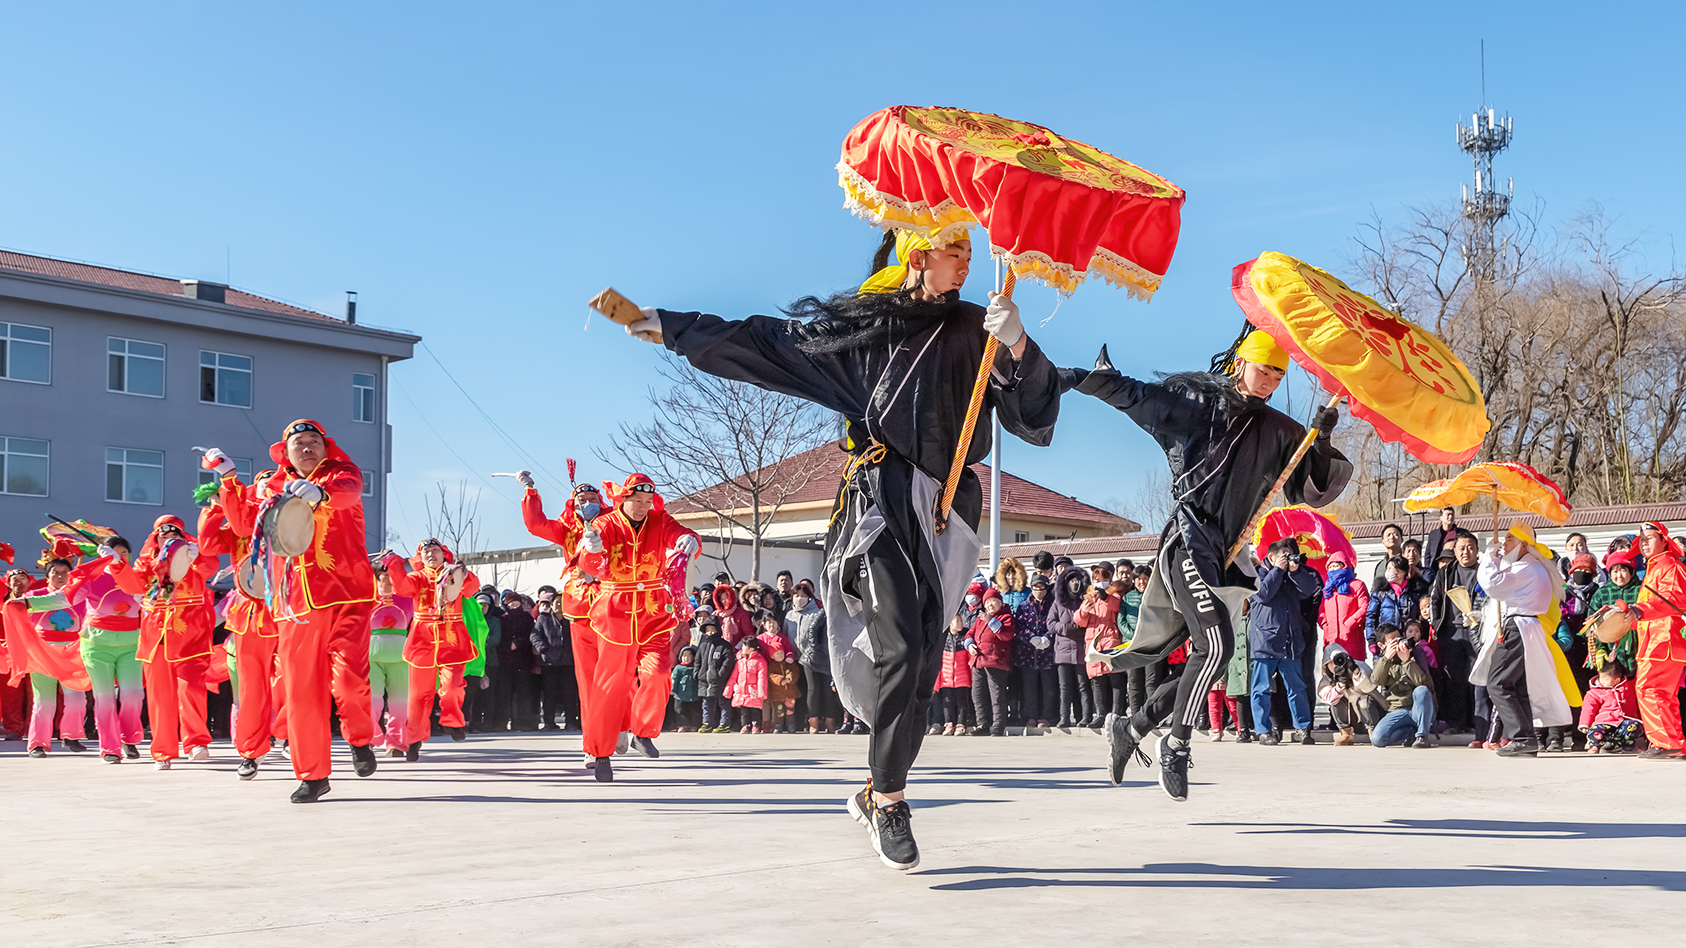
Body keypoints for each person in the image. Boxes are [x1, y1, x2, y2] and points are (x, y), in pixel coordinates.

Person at [1067, 327, 1350, 799]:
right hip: (1187, 539)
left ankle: (1132, 728)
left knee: (1210, 658)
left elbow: (1310, 487)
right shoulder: (1199, 406)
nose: (1270, 382)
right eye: (1264, 370)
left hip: (1222, 555)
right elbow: (1140, 397)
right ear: (1241, 363)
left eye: (1279, 375)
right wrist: (1079, 378)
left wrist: (1319, 439)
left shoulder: (1283, 431)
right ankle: (1175, 747)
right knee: (1217, 646)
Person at [206, 420, 379, 803]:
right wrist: (230, 480)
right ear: (285, 451)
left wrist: (319, 493)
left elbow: (348, 493)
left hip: (347, 594)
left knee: (350, 683)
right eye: (298, 443)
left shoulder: (341, 472)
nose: (307, 448)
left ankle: (360, 738)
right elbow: (242, 523)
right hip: (294, 604)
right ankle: (312, 775)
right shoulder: (270, 486)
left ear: (324, 446)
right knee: (301, 693)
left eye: (313, 441)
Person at [576, 473, 701, 778]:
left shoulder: (660, 520)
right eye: (637, 501)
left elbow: (682, 535)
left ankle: (642, 732)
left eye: (648, 501)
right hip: (615, 613)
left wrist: (691, 540)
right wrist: (590, 550)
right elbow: (588, 567)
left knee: (659, 673)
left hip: (653, 612)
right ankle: (600, 752)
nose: (643, 506)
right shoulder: (605, 524)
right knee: (610, 686)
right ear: (624, 500)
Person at [112, 516, 218, 769]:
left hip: (191, 634)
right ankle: (163, 751)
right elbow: (132, 584)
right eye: (163, 535)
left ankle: (196, 743)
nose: (168, 539)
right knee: (160, 697)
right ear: (155, 539)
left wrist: (199, 555)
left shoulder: (192, 559)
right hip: (157, 634)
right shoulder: (145, 563)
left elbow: (210, 568)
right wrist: (117, 564)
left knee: (192, 689)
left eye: (175, 536)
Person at [196, 502, 286, 776]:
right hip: (248, 616)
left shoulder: (295, 519)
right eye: (261, 482)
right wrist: (215, 507)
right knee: (250, 690)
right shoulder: (238, 529)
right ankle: (251, 751)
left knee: (290, 683)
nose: (267, 487)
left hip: (287, 611)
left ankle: (288, 733)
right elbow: (209, 544)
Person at [1472, 523, 1573, 758]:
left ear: (1523, 544)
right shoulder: (1532, 567)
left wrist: (1489, 557)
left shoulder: (1526, 568)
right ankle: (1526, 738)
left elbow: (1493, 584)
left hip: (1518, 627)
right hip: (1526, 627)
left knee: (1497, 683)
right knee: (1518, 686)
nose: (1504, 543)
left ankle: (1522, 736)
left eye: (1509, 539)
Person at [382, 539, 480, 760]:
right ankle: (414, 739)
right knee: (419, 695)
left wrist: (465, 574)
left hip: (452, 637)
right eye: (426, 551)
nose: (431, 554)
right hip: (422, 639)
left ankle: (453, 722)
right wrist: (395, 563)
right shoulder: (417, 578)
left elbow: (471, 590)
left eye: (435, 550)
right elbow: (402, 588)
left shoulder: (454, 573)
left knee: (454, 685)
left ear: (444, 554)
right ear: (421, 557)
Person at [1606, 522, 1686, 759]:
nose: (1644, 543)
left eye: (1649, 538)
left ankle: (1665, 743)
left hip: (1664, 640)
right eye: (1641, 539)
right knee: (1662, 693)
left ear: (1664, 540)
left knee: (1650, 688)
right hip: (1655, 640)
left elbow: (1672, 599)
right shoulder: (1654, 568)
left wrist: (1639, 610)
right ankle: (1672, 743)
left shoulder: (1670, 566)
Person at [62, 538, 145, 762]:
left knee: (134, 696)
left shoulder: (140, 578)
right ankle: (109, 747)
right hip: (97, 646)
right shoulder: (93, 579)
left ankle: (129, 738)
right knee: (105, 698)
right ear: (103, 555)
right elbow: (65, 598)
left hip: (131, 645)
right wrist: (28, 604)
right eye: (114, 552)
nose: (120, 556)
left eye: (125, 552)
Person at [5, 561, 92, 757]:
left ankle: (71, 735)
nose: (60, 576)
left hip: (72, 653)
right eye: (55, 572)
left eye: (65, 572)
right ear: (47, 576)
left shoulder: (80, 596)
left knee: (77, 698)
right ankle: (37, 743)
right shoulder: (35, 596)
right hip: (43, 653)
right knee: (44, 700)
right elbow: (18, 616)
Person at [1246, 539, 1322, 746]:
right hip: (1266, 640)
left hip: (1289, 640)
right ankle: (1263, 731)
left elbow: (1308, 589)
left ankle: (1302, 728)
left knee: (1297, 686)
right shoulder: (1257, 573)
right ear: (1271, 557)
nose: (1288, 559)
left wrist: (1296, 571)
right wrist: (1278, 571)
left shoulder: (1291, 575)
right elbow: (1263, 594)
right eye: (1284, 555)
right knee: (1261, 688)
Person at [1428, 533, 1485, 737]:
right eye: (1461, 548)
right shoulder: (1445, 573)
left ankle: (1477, 722)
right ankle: (1456, 722)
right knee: (1454, 679)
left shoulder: (1485, 573)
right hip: (1451, 633)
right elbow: (1434, 599)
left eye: (1470, 547)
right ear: (1455, 551)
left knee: (1476, 677)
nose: (1465, 552)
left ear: (1477, 550)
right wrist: (1436, 624)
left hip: (1478, 631)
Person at [367, 566, 414, 757]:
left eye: (390, 576)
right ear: (375, 579)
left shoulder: (408, 598)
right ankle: (370, 737)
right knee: (371, 701)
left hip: (401, 655)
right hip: (371, 656)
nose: (387, 580)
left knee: (400, 703)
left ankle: (396, 742)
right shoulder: (366, 599)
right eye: (383, 576)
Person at [1369, 624, 1435, 748]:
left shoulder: (1417, 652)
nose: (1399, 643)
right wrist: (1386, 659)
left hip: (1418, 708)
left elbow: (1424, 683)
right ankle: (1409, 732)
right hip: (1398, 709)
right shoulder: (1380, 661)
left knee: (1421, 690)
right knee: (1378, 740)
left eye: (1400, 638)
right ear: (1381, 645)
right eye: (1394, 641)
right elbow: (1376, 681)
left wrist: (1407, 661)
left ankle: (1422, 736)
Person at [964, 588, 1015, 736]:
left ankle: (998, 724)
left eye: (993, 601)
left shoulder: (1006, 618)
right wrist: (969, 644)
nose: (990, 604)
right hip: (978, 660)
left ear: (1000, 602)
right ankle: (982, 724)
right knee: (978, 694)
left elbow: (1006, 636)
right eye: (987, 602)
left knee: (997, 695)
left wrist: (991, 621)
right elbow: (970, 633)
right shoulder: (980, 618)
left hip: (996, 661)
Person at [787, 582, 835, 734]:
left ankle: (828, 721)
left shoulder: (818, 611)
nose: (800, 599)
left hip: (824, 658)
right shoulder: (789, 615)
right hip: (801, 659)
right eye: (797, 596)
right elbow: (810, 632)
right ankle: (810, 721)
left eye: (803, 597)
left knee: (826, 691)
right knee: (809, 691)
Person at [1318, 642, 1386, 745]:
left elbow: (1369, 688)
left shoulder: (1359, 667)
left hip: (1372, 716)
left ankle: (1374, 733)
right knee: (1336, 698)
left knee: (1364, 700)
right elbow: (1329, 699)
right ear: (1326, 664)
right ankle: (1346, 734)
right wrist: (1340, 684)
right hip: (1353, 721)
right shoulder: (1327, 679)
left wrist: (1355, 671)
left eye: (1340, 660)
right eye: (1333, 662)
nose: (1337, 665)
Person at [1048, 563, 1090, 727]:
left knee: (1082, 686)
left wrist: (1079, 629)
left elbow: (1089, 623)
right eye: (1071, 580)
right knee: (1064, 687)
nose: (1075, 583)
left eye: (1077, 580)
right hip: (1062, 652)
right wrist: (1066, 628)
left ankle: (1084, 717)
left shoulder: (1085, 602)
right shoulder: (1058, 603)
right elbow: (1050, 624)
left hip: (1081, 650)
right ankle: (1064, 718)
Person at [1077, 580, 1124, 725]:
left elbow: (1116, 607)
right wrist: (1084, 611)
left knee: (1116, 679)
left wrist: (1105, 598)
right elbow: (1079, 621)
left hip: (1111, 641)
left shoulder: (1114, 596)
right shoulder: (1089, 598)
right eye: (1096, 579)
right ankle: (1100, 715)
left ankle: (1116, 714)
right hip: (1094, 643)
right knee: (1096, 680)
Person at [1587, 549, 1642, 672]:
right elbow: (1592, 624)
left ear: (1632, 572)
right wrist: (1600, 648)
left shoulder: (1641, 590)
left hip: (1639, 646)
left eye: (1623, 570)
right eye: (1615, 571)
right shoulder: (1602, 593)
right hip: (1611, 649)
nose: (1619, 575)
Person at [1012, 574, 1056, 727]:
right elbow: (1019, 626)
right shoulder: (1024, 606)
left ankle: (1047, 716)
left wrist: (1047, 637)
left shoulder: (1053, 605)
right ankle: (1030, 716)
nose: (1038, 591)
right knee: (1029, 688)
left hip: (1047, 654)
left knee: (1048, 687)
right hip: (1027, 653)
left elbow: (1055, 624)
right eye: (1035, 588)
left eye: (1041, 588)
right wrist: (1031, 638)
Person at [531, 592, 575, 730]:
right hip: (549, 663)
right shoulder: (543, 619)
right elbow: (534, 636)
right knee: (550, 694)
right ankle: (549, 722)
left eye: (562, 602)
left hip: (568, 662)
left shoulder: (571, 619)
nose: (559, 605)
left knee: (570, 694)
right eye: (556, 602)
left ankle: (571, 722)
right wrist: (544, 649)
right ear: (551, 605)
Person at [1578, 661, 1641, 753]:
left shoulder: (1627, 687)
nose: (1602, 681)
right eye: (1600, 678)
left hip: (1623, 721)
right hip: (1604, 722)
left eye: (1605, 679)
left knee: (1633, 725)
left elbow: (1638, 679)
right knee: (1595, 730)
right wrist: (1585, 723)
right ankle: (1594, 745)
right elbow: (1588, 709)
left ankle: (1628, 746)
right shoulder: (1594, 692)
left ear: (1617, 680)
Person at [1365, 556, 1421, 657]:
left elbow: (1418, 616)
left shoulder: (1413, 592)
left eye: (1391, 568)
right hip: (1386, 642)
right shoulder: (1381, 592)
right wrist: (1371, 639)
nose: (1388, 571)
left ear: (1401, 572)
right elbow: (1371, 616)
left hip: (1408, 642)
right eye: (1388, 568)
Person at [1318, 553, 1369, 664]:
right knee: (1332, 672)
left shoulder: (1357, 585)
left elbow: (1365, 607)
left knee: (1354, 672)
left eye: (1335, 566)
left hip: (1352, 638)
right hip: (1331, 638)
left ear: (1344, 566)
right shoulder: (1327, 589)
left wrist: (1350, 623)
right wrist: (1324, 624)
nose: (1332, 569)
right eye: (1330, 567)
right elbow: (1321, 611)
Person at [758, 612, 801, 734]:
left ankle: (777, 723)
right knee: (766, 699)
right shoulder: (760, 638)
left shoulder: (782, 638)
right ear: (764, 625)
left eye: (774, 622)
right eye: (769, 622)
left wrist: (789, 657)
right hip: (764, 671)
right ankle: (766, 723)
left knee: (779, 701)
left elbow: (789, 650)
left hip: (780, 670)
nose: (772, 625)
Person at [694, 616, 736, 733]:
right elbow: (698, 661)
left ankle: (724, 723)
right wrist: (697, 673)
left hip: (719, 680)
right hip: (704, 680)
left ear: (718, 629)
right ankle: (707, 722)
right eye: (708, 630)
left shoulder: (724, 645)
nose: (710, 632)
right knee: (707, 703)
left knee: (723, 702)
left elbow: (728, 662)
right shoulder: (702, 645)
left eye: (713, 629)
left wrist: (720, 674)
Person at [935, 612, 974, 735]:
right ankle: (948, 723)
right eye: (957, 621)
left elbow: (969, 659)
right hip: (946, 677)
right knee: (947, 701)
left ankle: (961, 724)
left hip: (962, 676)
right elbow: (938, 660)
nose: (960, 623)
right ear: (950, 623)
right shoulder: (944, 637)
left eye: (961, 621)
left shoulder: (965, 637)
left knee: (962, 701)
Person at [724, 636, 768, 733]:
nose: (742, 648)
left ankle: (755, 725)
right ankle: (745, 725)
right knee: (744, 711)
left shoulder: (760, 661)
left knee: (755, 710)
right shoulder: (740, 661)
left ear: (751, 648)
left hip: (754, 691)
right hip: (742, 690)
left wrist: (761, 692)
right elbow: (734, 676)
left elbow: (762, 678)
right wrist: (729, 688)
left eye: (744, 645)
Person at [670, 646, 700, 731]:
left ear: (693, 657)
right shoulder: (678, 668)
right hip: (680, 694)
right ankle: (682, 725)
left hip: (693, 694)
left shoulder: (696, 667)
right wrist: (673, 690)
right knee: (680, 710)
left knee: (694, 711)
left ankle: (694, 725)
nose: (686, 658)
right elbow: (674, 679)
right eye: (684, 656)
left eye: (688, 656)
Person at [1372, 524, 1405, 589]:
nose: (1392, 537)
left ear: (1402, 540)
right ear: (1383, 542)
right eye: (1388, 535)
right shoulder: (1380, 566)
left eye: (1395, 534)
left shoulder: (1408, 562)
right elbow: (1375, 589)